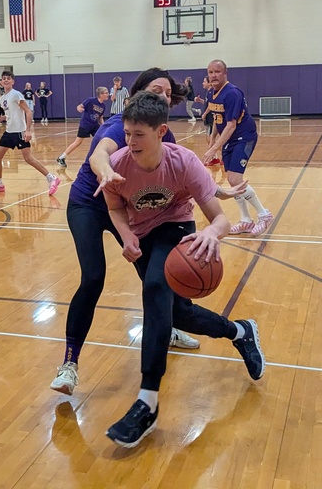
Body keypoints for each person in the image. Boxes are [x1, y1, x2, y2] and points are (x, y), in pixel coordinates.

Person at [50, 67, 243, 398]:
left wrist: (215, 192)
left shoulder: (159, 133)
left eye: (168, 93)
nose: (164, 96)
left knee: (160, 281)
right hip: (92, 204)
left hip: (129, 207)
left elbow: (184, 171)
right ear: (140, 91)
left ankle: (168, 327)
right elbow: (98, 154)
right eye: (157, 90)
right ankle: (70, 363)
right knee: (93, 277)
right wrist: (108, 171)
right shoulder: (120, 127)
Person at [100, 91, 265, 447]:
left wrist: (209, 232)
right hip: (142, 237)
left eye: (139, 134)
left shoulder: (184, 162)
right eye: (127, 133)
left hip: (176, 228)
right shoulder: (118, 163)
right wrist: (126, 235)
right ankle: (240, 332)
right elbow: (114, 208)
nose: (130, 141)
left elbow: (220, 218)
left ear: (161, 132)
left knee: (155, 289)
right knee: (178, 315)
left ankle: (147, 401)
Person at [202, 60, 274, 235]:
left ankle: (264, 214)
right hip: (229, 139)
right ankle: (246, 220)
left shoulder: (232, 93)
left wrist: (213, 150)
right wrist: (212, 140)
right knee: (233, 181)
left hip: (244, 136)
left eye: (217, 72)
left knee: (235, 179)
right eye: (210, 72)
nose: (213, 75)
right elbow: (217, 120)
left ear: (225, 73)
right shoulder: (211, 94)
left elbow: (231, 125)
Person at [0, 71, 62, 195]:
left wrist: (28, 130)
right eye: (4, 79)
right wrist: (3, 118)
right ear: (1, 82)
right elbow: (12, 114)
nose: (6, 80)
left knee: (28, 158)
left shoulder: (16, 94)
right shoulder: (2, 98)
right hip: (9, 131)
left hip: (19, 131)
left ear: (13, 81)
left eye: (8, 78)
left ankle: (52, 178)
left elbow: (28, 111)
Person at [56, 87, 107, 168]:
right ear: (101, 94)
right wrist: (79, 108)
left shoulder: (103, 106)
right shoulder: (91, 100)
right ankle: (62, 157)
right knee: (78, 142)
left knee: (102, 139)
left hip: (94, 125)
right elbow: (79, 106)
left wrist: (104, 127)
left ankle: (98, 158)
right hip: (85, 124)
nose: (108, 94)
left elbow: (100, 118)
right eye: (106, 93)